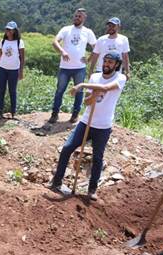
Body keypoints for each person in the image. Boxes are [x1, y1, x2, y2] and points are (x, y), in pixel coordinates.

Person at [49, 52, 126, 201]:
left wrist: (83, 85)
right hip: (86, 122)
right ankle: (56, 182)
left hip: (103, 126)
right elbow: (87, 102)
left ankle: (92, 190)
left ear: (116, 65)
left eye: (110, 62)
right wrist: (93, 95)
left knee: (97, 157)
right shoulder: (95, 77)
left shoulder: (120, 78)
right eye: (105, 61)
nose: (107, 64)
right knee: (67, 148)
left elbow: (109, 87)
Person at [48, 8, 96, 125]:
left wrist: (89, 59)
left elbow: (96, 46)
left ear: (84, 18)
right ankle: (54, 114)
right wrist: (62, 51)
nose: (76, 18)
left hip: (80, 67)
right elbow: (55, 42)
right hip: (64, 67)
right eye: (75, 16)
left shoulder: (88, 32)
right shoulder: (66, 29)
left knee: (79, 91)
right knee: (60, 91)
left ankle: (75, 115)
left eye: (79, 16)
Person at [0, 21, 25, 120]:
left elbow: (22, 58)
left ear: (14, 31)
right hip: (2, 69)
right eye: (6, 29)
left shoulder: (19, 42)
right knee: (1, 90)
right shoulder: (2, 41)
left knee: (12, 91)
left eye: (10, 30)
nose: (8, 31)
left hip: (14, 70)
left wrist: (21, 72)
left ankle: (13, 112)